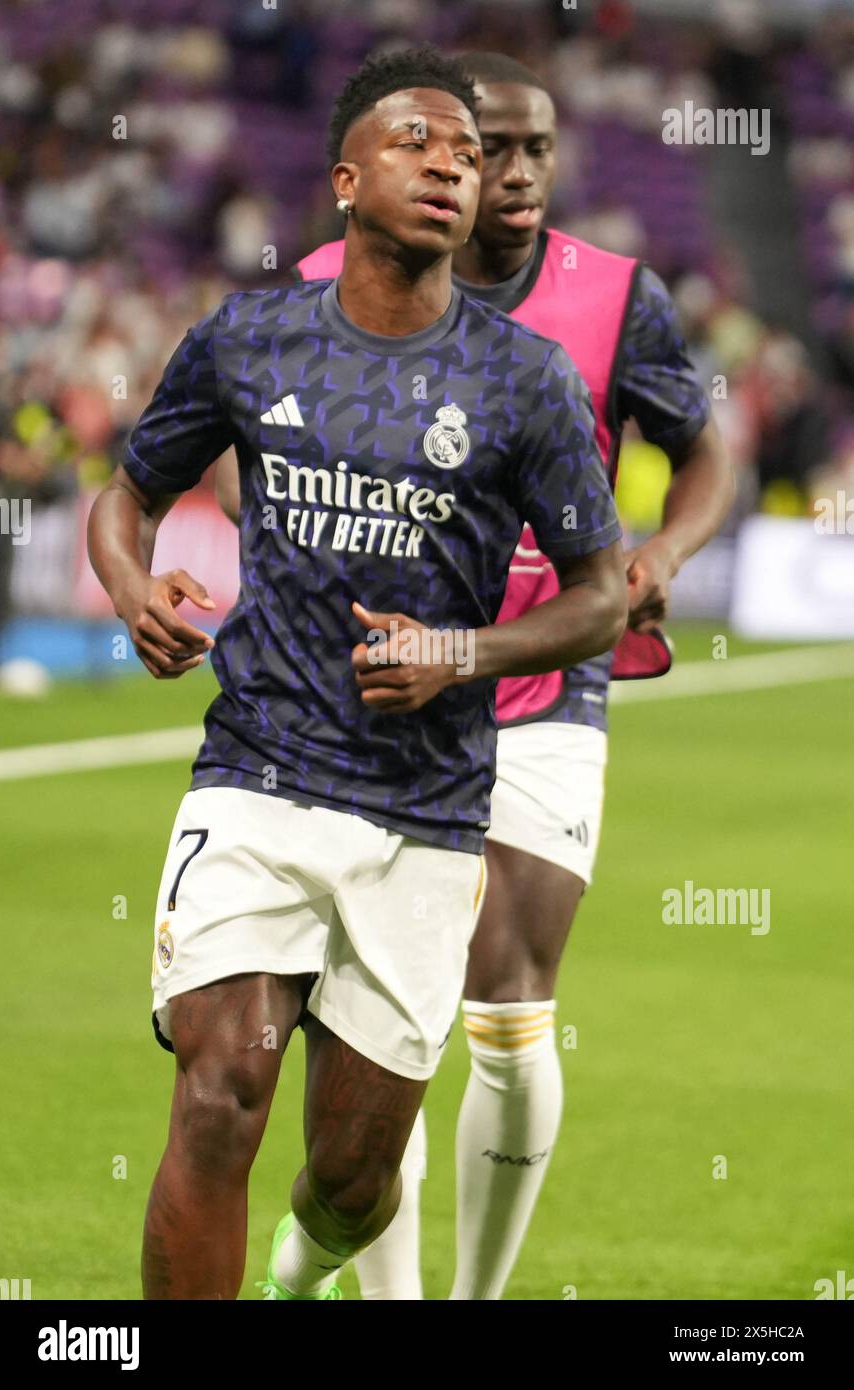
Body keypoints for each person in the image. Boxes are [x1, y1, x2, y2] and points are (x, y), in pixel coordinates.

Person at [87, 45, 627, 1301]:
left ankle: (306, 1267)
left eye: (468, 150)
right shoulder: (252, 336)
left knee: (348, 1176)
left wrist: (466, 653)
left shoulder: (523, 380)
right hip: (256, 779)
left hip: (426, 815)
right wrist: (133, 586)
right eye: (416, 143)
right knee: (220, 1094)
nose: (452, 163)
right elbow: (126, 496)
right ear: (343, 178)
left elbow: (600, 593)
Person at [224, 50, 732, 1301]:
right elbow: (261, 454)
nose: (504, 173)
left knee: (505, 1001)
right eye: (481, 146)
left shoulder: (615, 298)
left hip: (549, 675)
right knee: (378, 1023)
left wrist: (658, 547)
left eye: (530, 151)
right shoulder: (315, 290)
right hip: (377, 683)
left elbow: (703, 447)